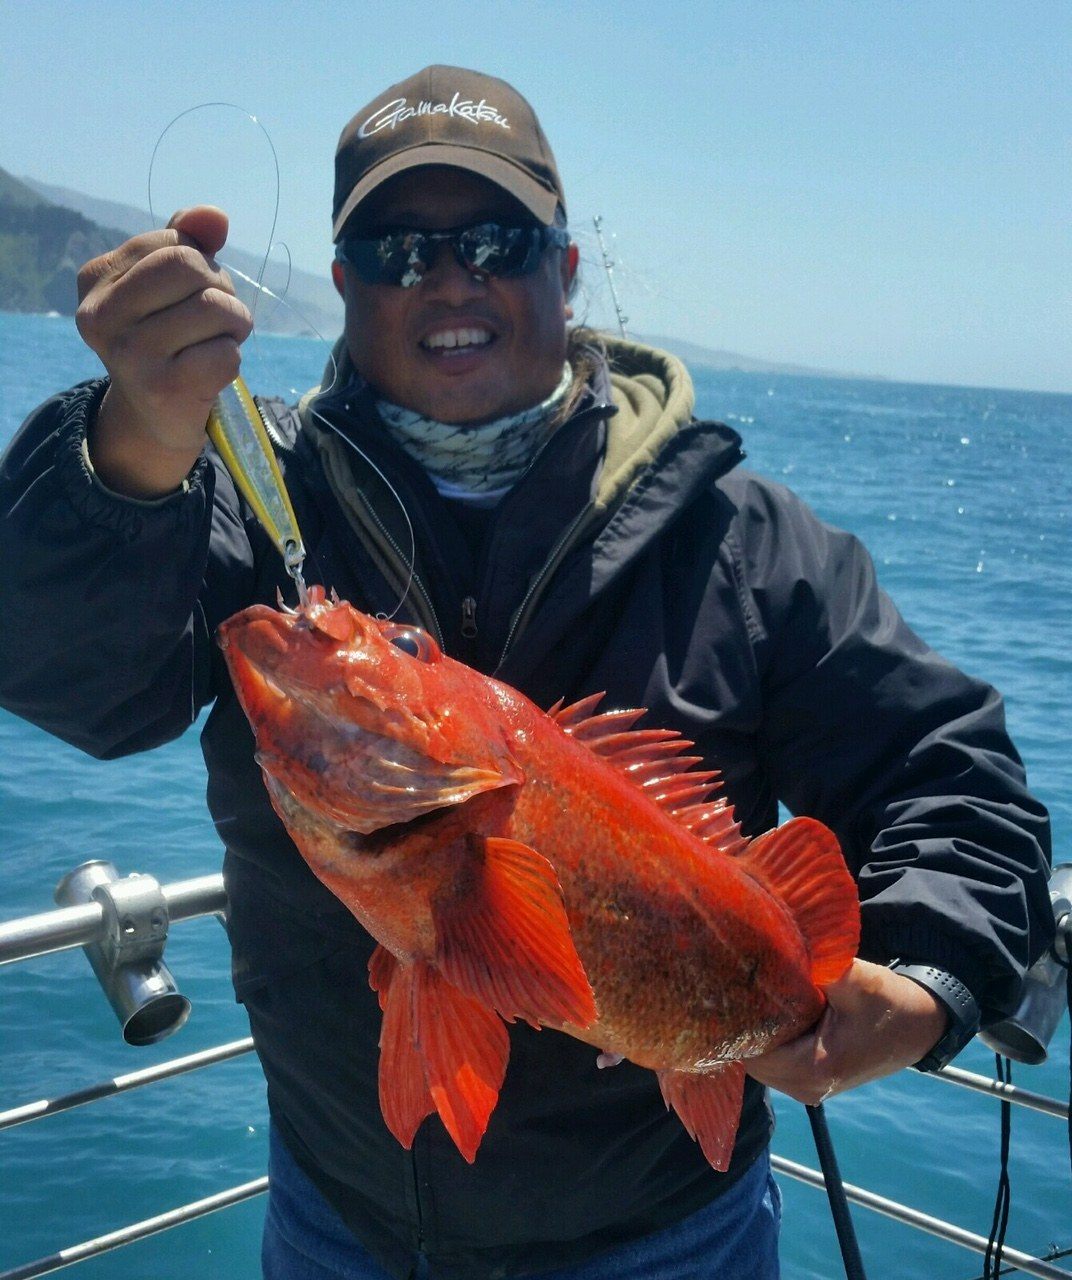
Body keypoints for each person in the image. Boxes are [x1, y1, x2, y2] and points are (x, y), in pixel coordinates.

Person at [0, 65, 1053, 1280]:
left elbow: (951, 775)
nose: (450, 277)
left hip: (670, 1238)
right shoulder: (239, 499)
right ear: (342, 289)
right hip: (339, 1219)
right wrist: (127, 444)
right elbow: (71, 680)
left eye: (498, 238)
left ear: (564, 268)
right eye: (398, 250)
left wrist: (922, 979)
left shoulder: (748, 542)